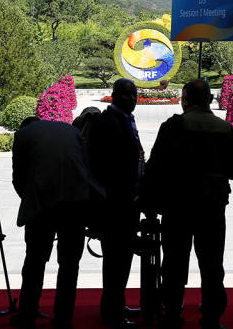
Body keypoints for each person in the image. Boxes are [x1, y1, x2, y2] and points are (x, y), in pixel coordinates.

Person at [143, 79, 233, 329]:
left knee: (175, 261)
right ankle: (211, 316)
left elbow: (154, 168)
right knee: (211, 263)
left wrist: (149, 203)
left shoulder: (173, 126)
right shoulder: (224, 128)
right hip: (212, 206)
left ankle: (173, 312)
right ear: (210, 100)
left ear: (184, 100)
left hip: (177, 205)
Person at [11, 116, 102, 329]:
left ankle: (27, 315)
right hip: (75, 202)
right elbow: (86, 168)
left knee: (34, 262)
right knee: (70, 265)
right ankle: (63, 319)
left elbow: (18, 178)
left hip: (42, 204)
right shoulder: (70, 130)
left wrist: (31, 199)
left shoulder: (23, 135)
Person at [88, 78, 143, 328]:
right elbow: (102, 167)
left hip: (127, 203)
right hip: (115, 206)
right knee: (115, 263)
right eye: (126, 95)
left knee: (121, 261)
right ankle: (112, 312)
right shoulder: (107, 122)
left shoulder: (124, 119)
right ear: (113, 95)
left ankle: (116, 304)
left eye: (134, 95)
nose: (131, 99)